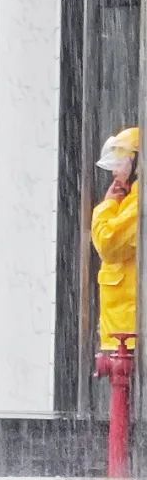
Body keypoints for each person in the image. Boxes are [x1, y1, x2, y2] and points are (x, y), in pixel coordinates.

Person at [92, 126, 139, 351]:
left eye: (120, 163)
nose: (114, 172)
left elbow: (108, 244)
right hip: (126, 334)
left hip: (129, 335)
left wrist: (107, 205)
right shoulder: (131, 200)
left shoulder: (138, 201)